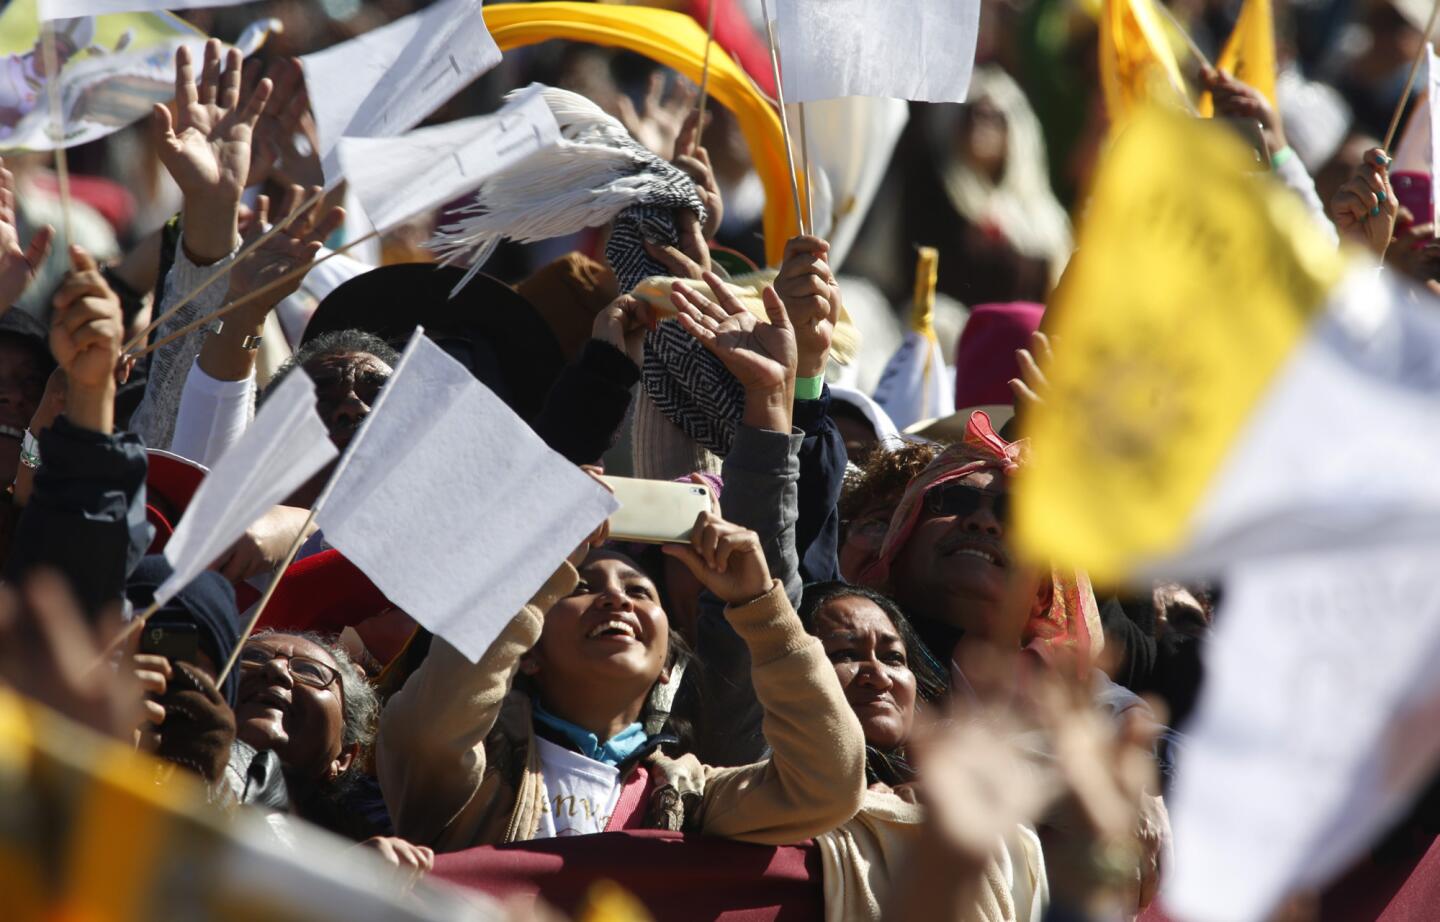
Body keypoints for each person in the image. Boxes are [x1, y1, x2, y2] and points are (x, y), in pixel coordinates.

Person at [376, 507, 866, 850]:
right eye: (581, 587)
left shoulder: (691, 794)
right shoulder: (470, 771)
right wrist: (536, 570)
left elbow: (827, 785)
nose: (617, 600)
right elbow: (431, 721)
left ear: (667, 667)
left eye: (640, 591)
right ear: (526, 653)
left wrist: (761, 607)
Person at [799, 580, 1048, 922]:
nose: (879, 676)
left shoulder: (960, 777)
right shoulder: (771, 782)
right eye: (845, 654)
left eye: (893, 658)